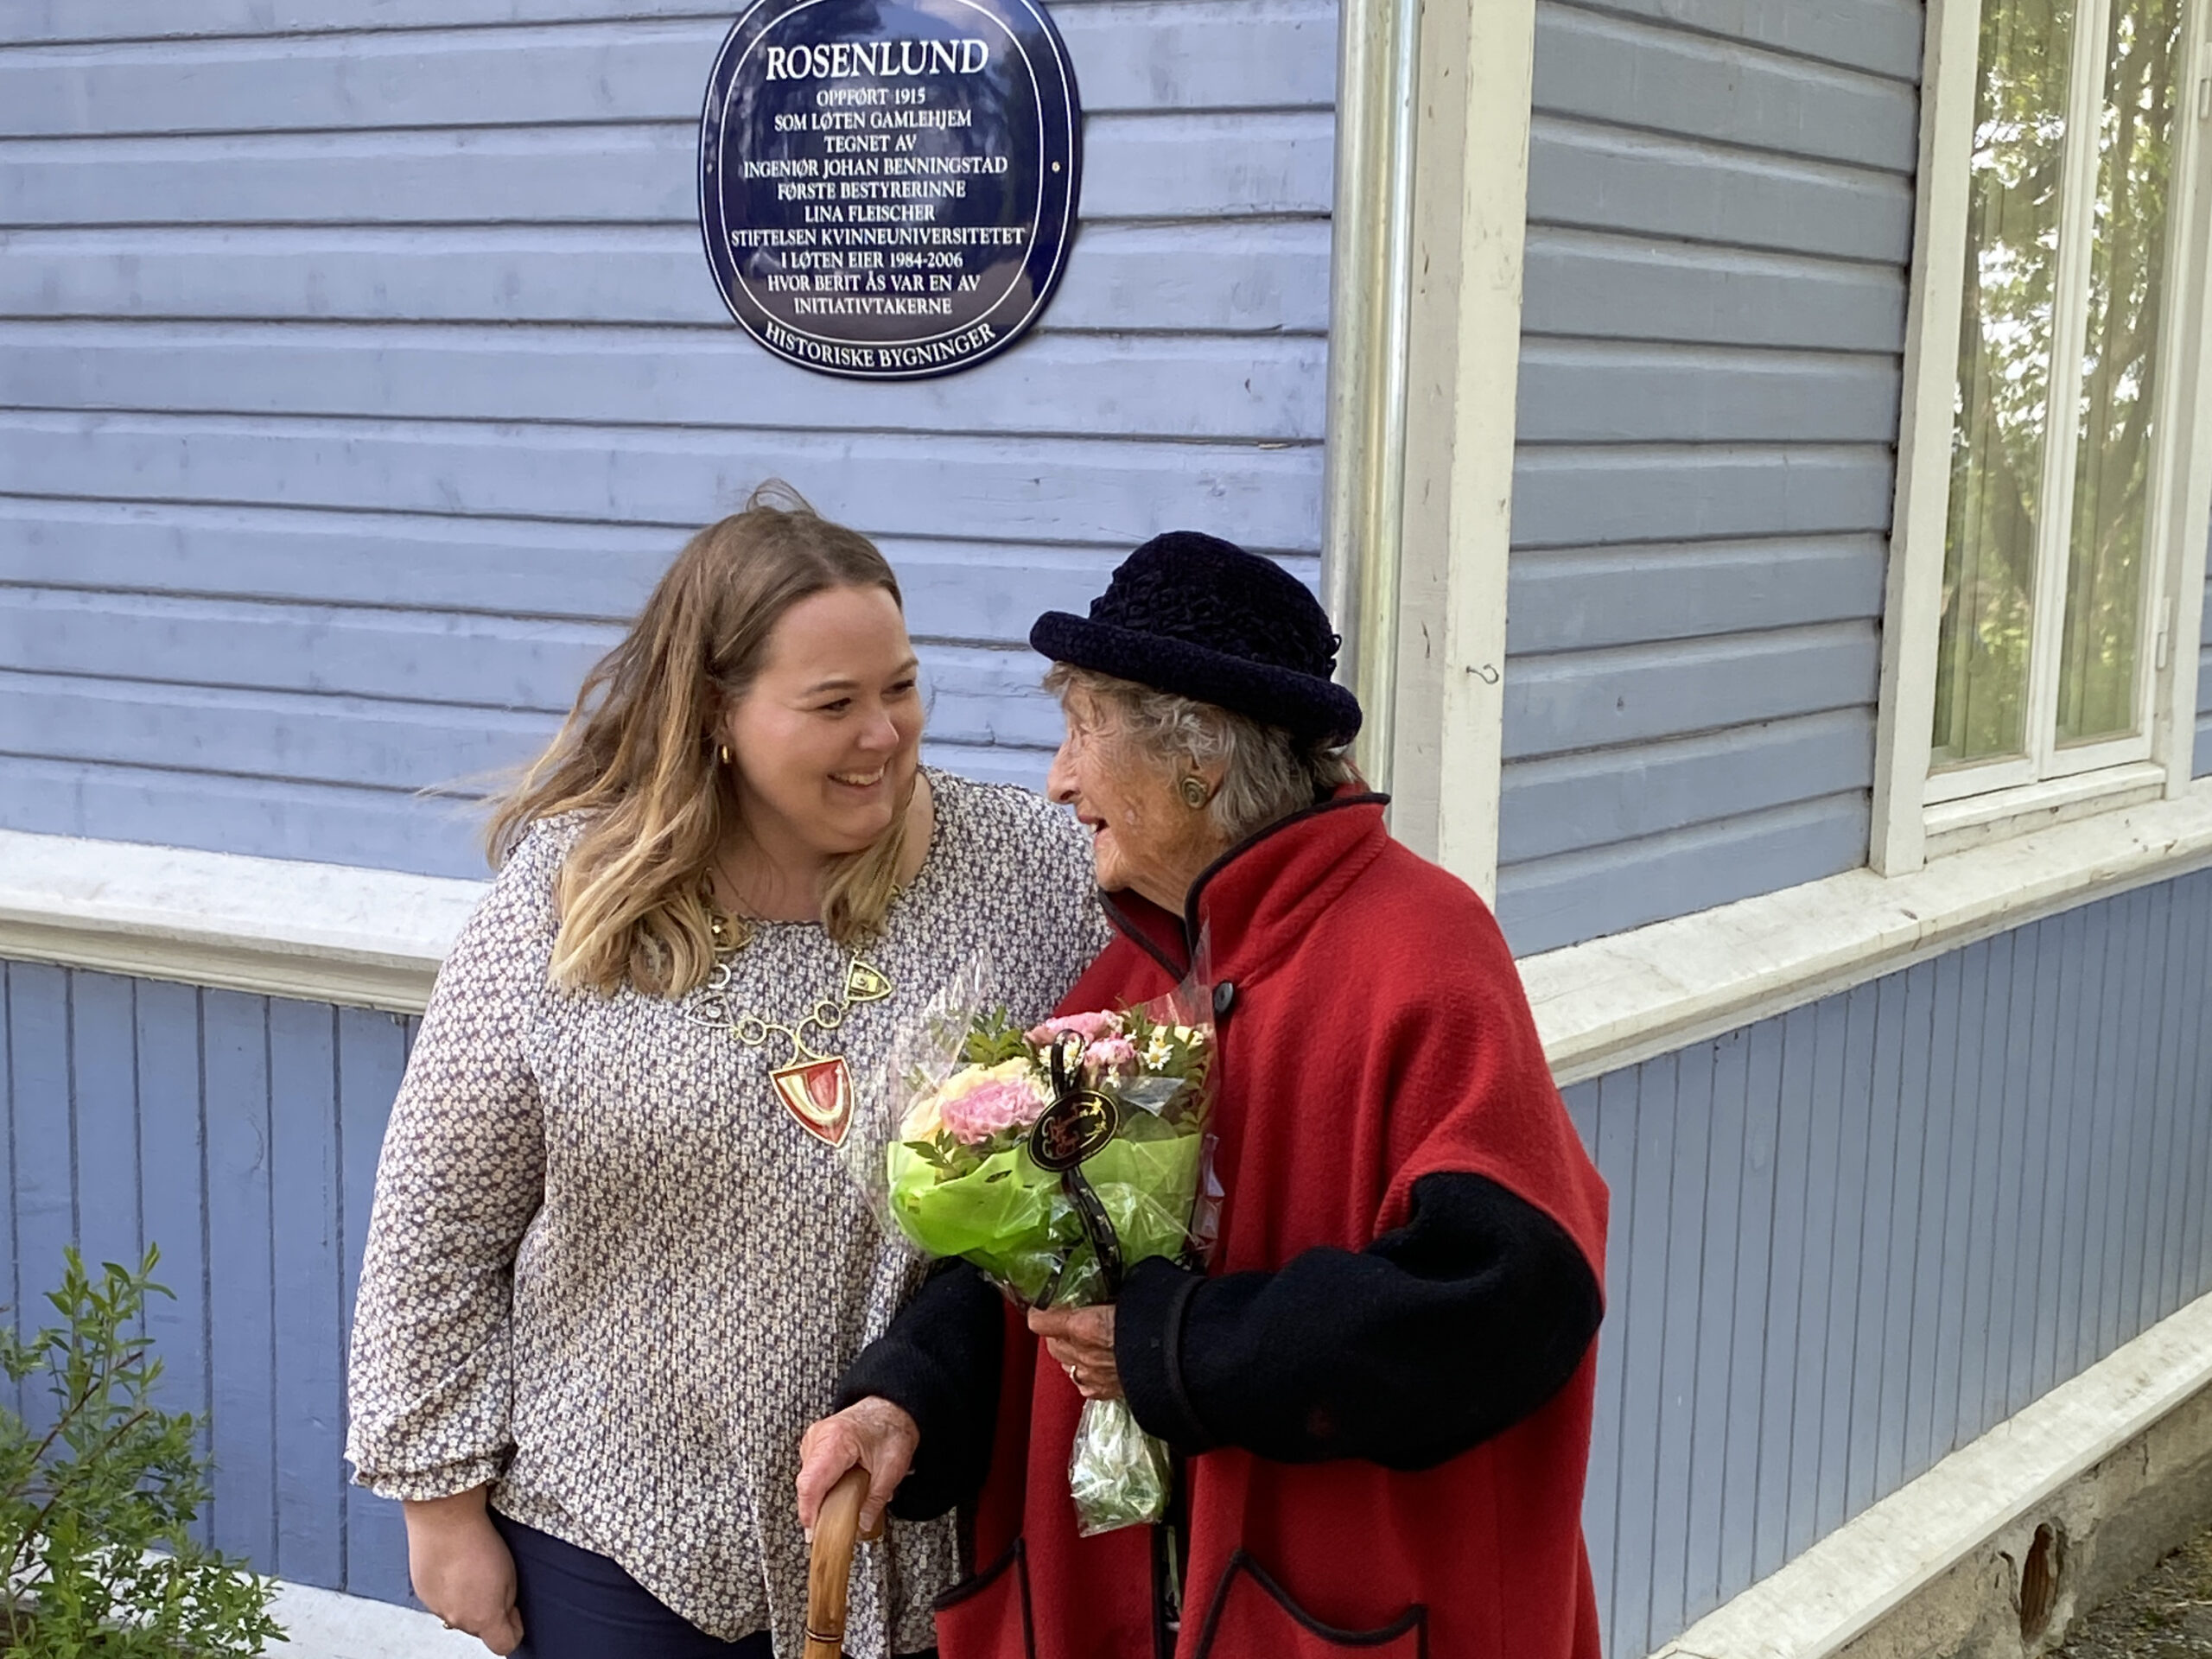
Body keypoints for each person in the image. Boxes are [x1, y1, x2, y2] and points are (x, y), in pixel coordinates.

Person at [798, 531, 1610, 1659]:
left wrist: (1182, 1350)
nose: (1059, 779)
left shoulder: (1423, 952)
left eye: (1083, 730)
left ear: (1200, 760)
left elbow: (1512, 1300)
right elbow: (1033, 1277)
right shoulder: (1133, 977)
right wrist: (907, 1398)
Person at [346, 490, 1107, 1659]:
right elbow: (438, 1215)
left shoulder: (1027, 874)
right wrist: (439, 1506)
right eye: (834, 704)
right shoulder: (573, 895)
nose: (884, 734)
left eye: (901, 688)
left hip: (917, 1541)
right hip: (613, 1537)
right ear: (717, 712)